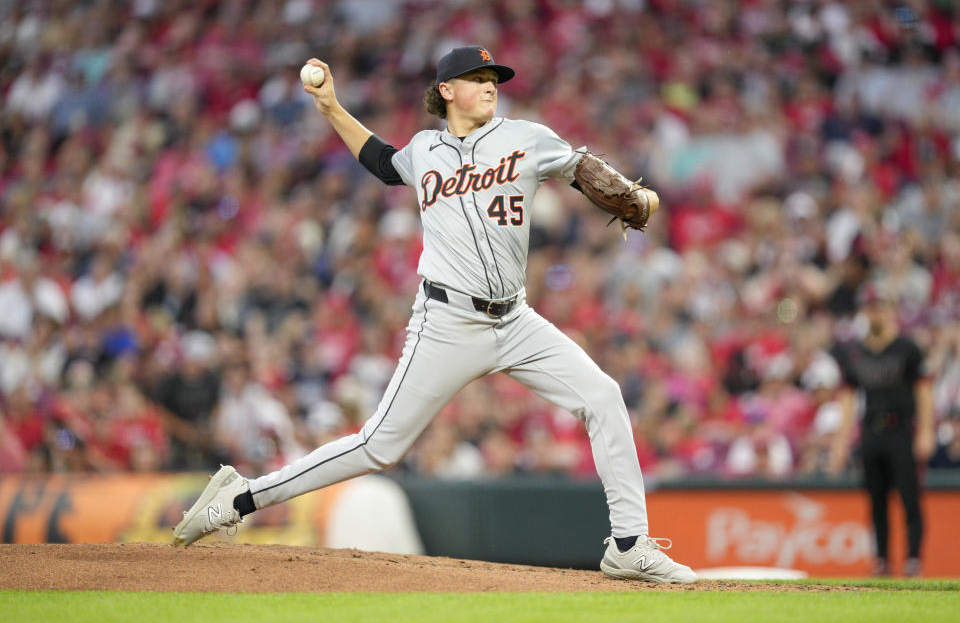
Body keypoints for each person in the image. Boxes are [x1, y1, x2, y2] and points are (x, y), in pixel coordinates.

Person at [172, 46, 696, 584]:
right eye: (478, 78)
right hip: (447, 322)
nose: (491, 85)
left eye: (495, 78)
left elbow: (579, 166)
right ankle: (239, 498)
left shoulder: (527, 137)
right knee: (379, 447)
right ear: (446, 90)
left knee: (602, 396)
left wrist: (630, 193)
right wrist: (330, 107)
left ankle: (629, 544)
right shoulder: (425, 149)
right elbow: (380, 162)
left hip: (516, 321)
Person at [829, 287, 935, 576]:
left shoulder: (907, 348)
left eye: (880, 307)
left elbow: (923, 390)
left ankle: (913, 560)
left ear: (890, 310)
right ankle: (882, 560)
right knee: (876, 498)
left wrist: (926, 430)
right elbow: (849, 399)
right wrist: (841, 442)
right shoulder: (856, 352)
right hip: (872, 430)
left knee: (910, 496)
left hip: (902, 428)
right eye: (871, 307)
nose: (875, 312)